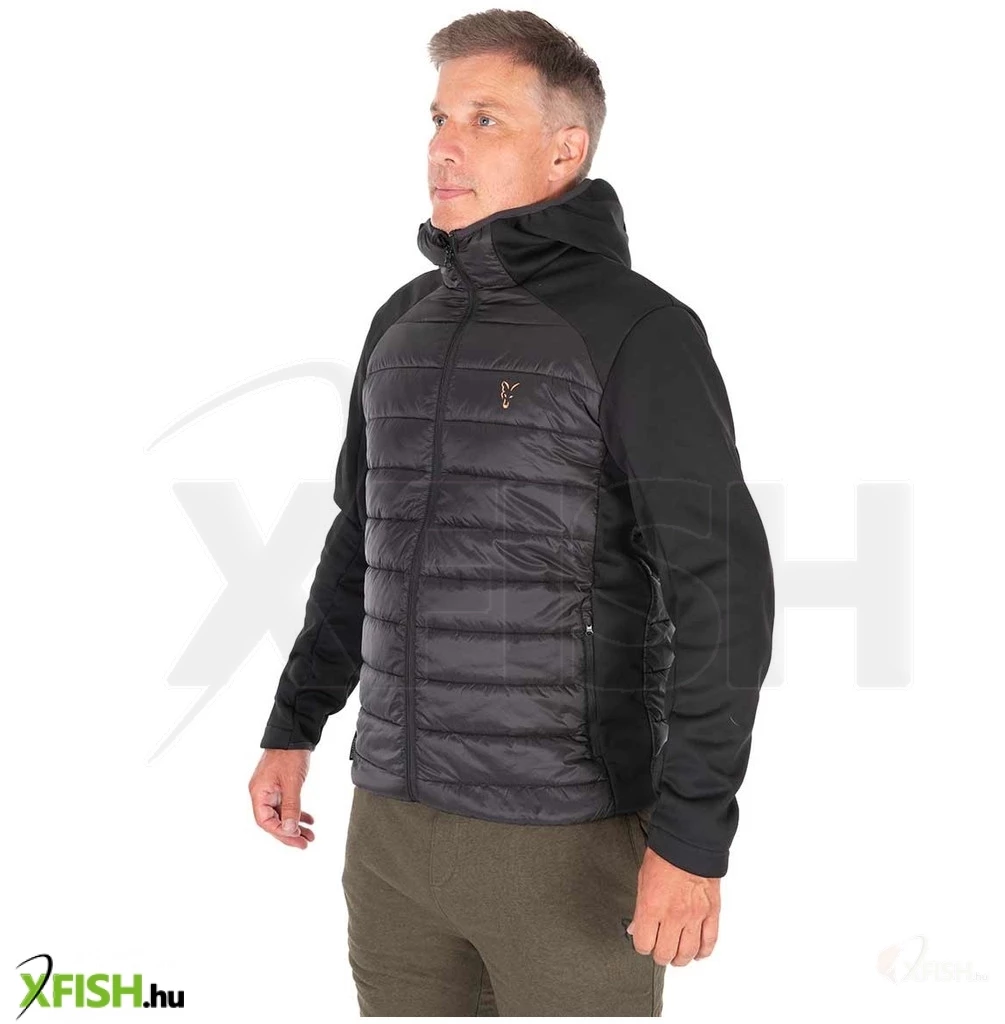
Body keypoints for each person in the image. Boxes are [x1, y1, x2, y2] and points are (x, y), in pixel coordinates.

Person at [248, 9, 774, 1016]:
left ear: (564, 150)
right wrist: (294, 723)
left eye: (484, 120)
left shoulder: (638, 329)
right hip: (391, 835)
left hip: (564, 839)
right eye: (439, 118)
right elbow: (361, 536)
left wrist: (692, 840)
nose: (444, 146)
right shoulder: (401, 322)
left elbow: (722, 591)